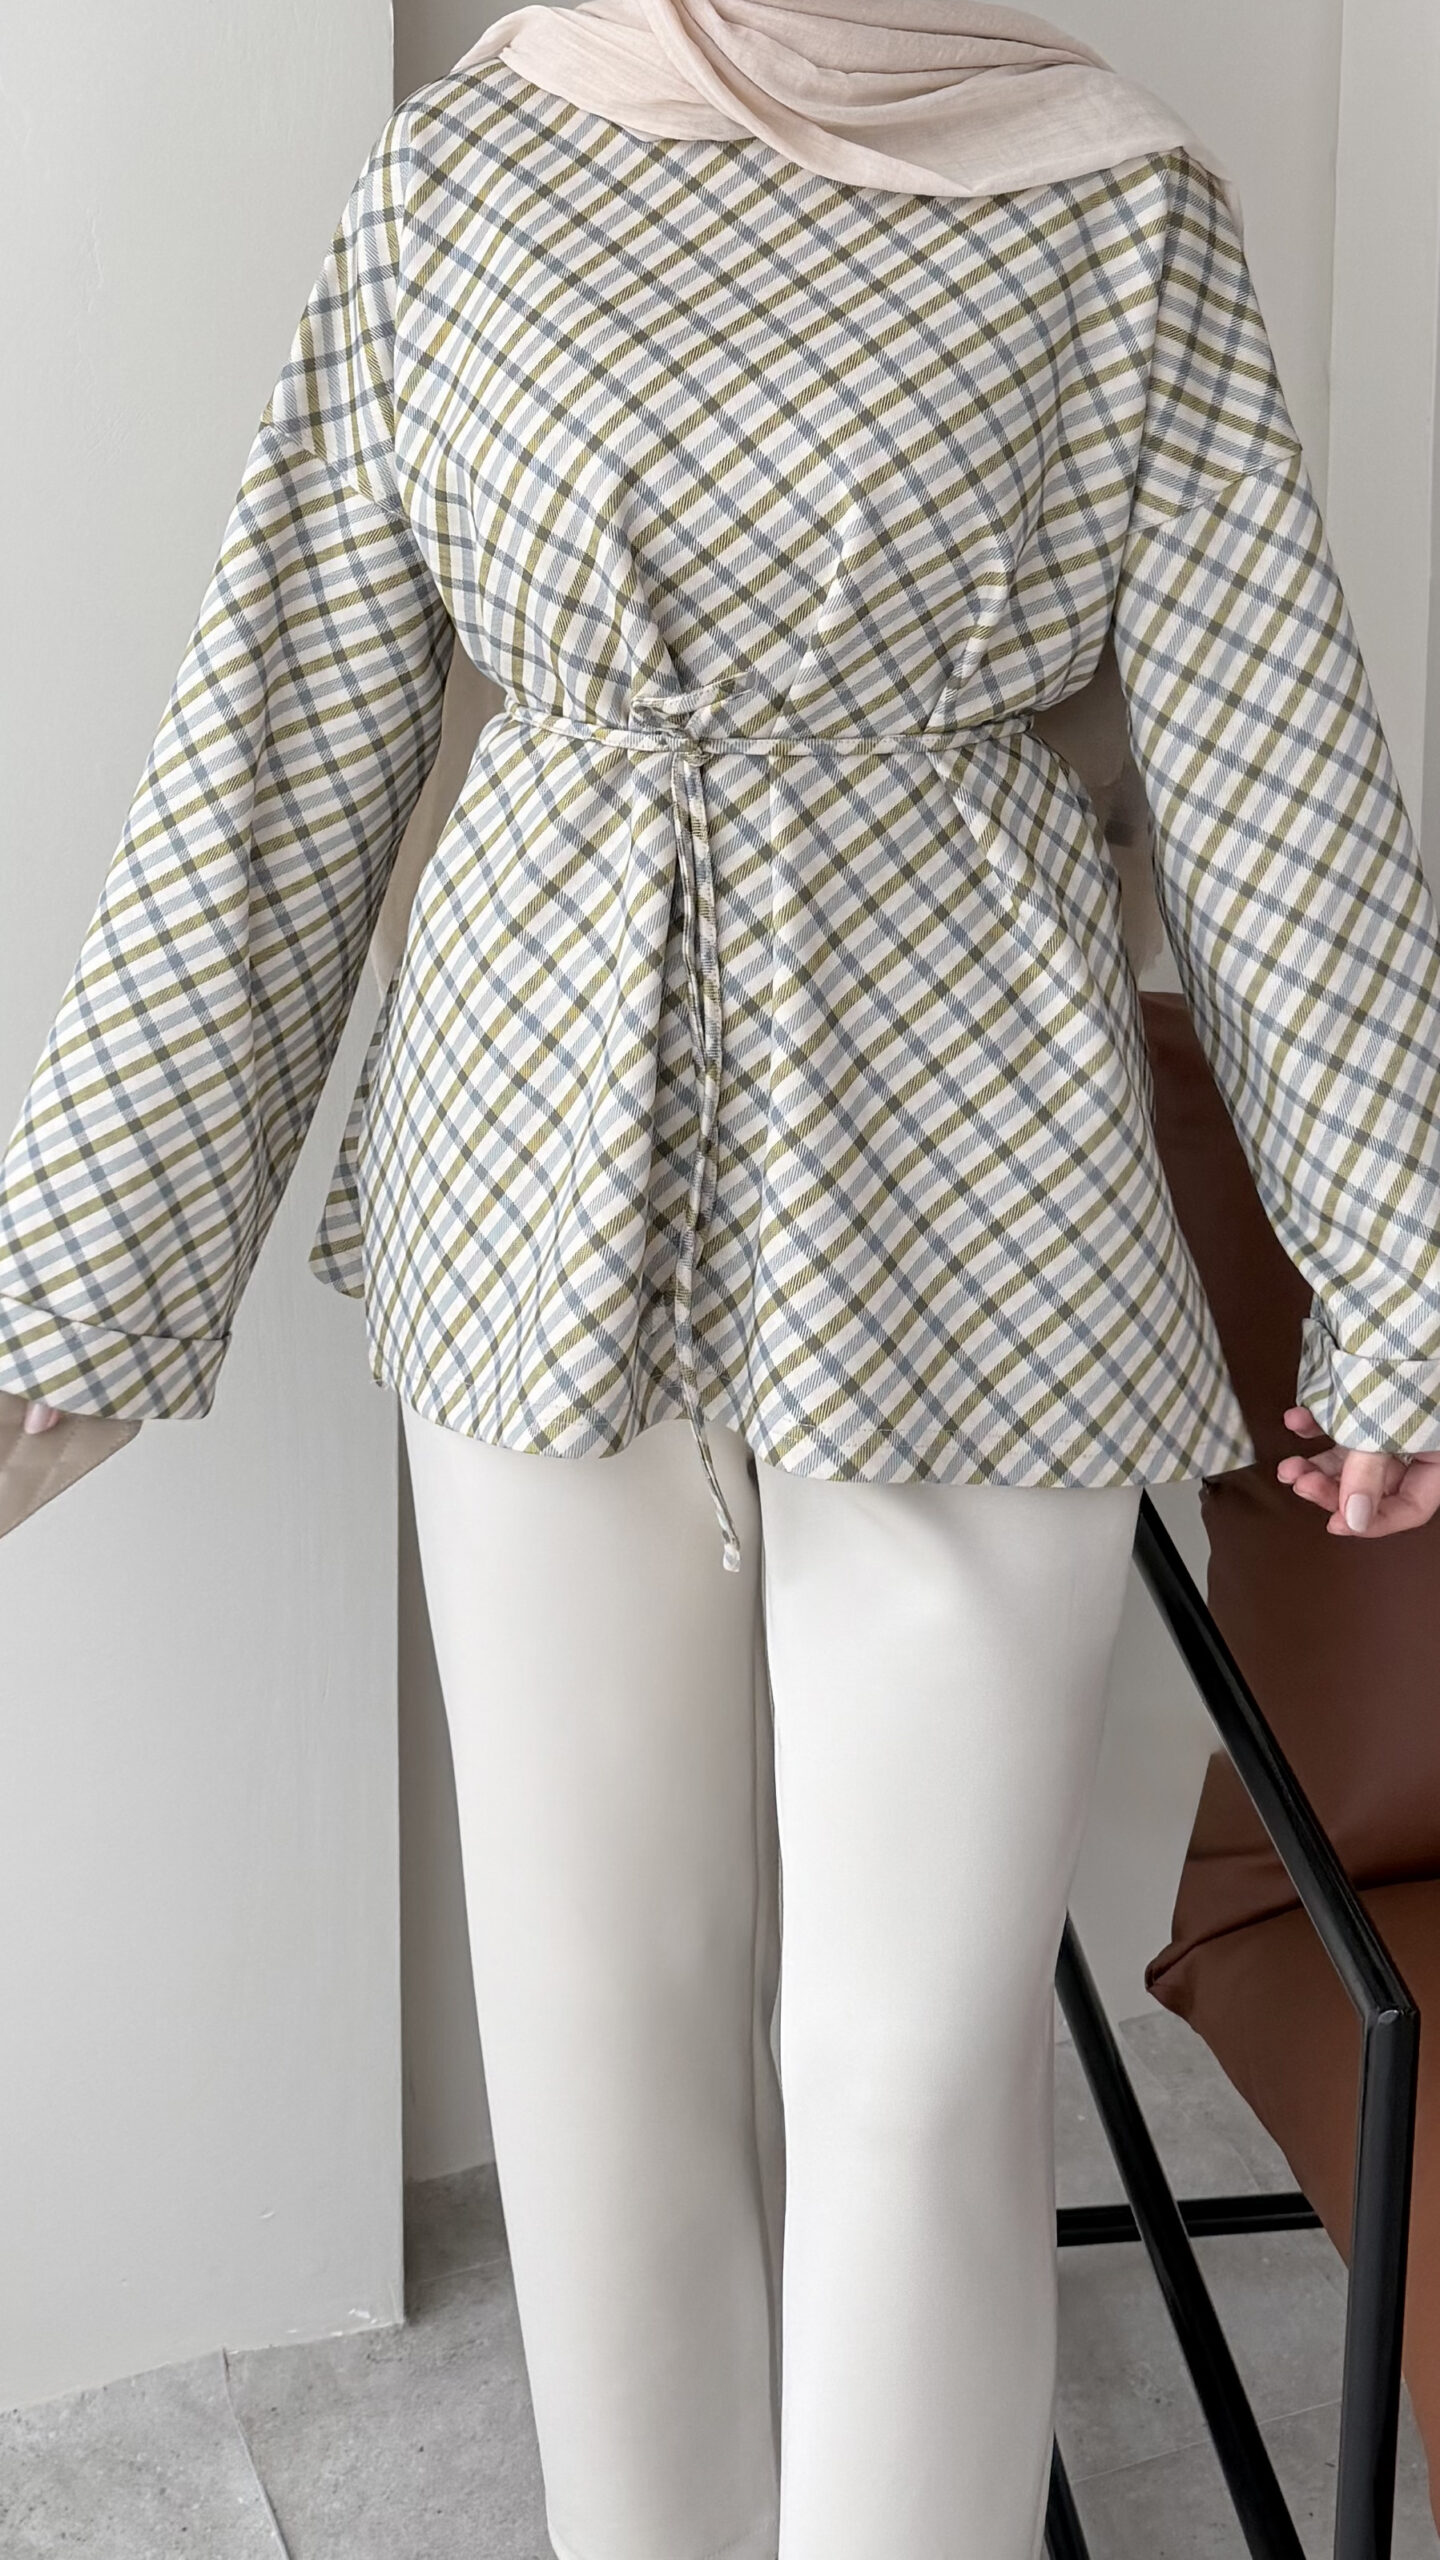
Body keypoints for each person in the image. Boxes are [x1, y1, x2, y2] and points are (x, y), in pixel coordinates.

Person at [6, 6, 1440, 2556]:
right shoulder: (463, 179)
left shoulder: (1117, 208)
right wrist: (59, 1311)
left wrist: (1399, 1269)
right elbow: (276, 743)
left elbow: (1272, 769)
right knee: (598, 2032)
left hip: (979, 1189)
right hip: (528, 1164)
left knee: (916, 2059)